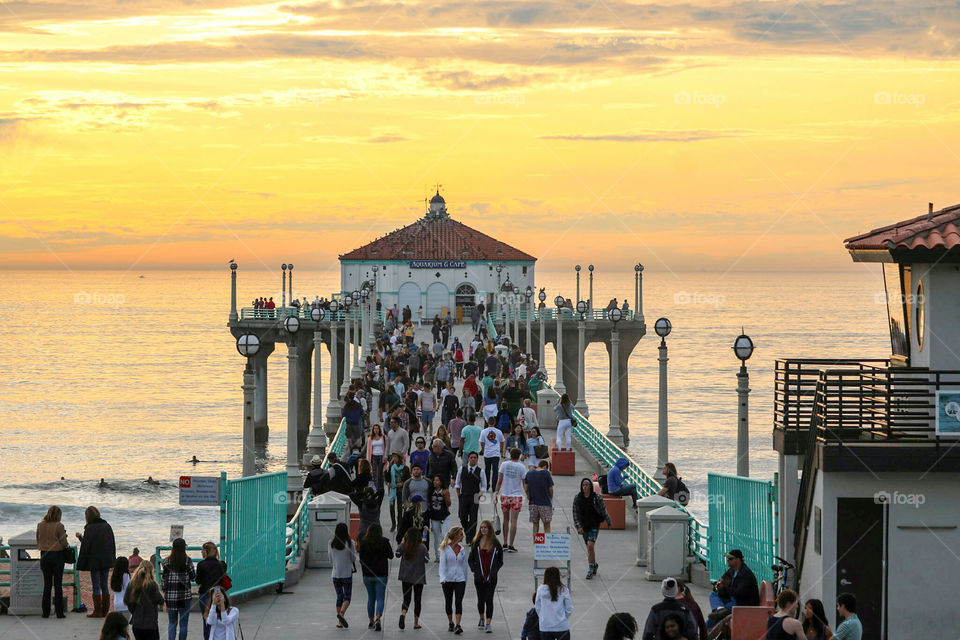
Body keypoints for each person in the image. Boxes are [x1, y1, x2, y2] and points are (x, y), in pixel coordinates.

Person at [76, 505, 117, 618]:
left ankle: (97, 611)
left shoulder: (89, 528)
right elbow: (111, 544)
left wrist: (80, 538)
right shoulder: (107, 526)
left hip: (94, 561)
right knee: (104, 585)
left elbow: (86, 545)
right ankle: (105, 611)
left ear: (87, 517)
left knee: (96, 586)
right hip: (106, 560)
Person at [572, 477, 611, 579]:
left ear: (590, 486)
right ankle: (594, 564)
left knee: (590, 545)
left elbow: (603, 510)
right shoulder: (578, 498)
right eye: (583, 485)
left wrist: (608, 520)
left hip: (594, 524)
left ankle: (590, 569)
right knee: (589, 548)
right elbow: (575, 513)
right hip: (584, 526)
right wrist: (578, 526)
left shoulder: (596, 498)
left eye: (586, 485)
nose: (584, 487)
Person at [468, 520, 504, 634]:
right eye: (481, 527)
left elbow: (500, 561)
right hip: (479, 577)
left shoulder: (496, 544)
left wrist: (494, 571)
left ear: (490, 529)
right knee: (480, 600)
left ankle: (488, 623)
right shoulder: (476, 542)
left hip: (491, 577)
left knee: (489, 599)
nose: (483, 529)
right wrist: (475, 570)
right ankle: (482, 617)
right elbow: (470, 560)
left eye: (485, 527)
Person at [358, 523, 393, 631]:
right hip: (381, 574)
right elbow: (391, 555)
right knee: (380, 598)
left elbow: (361, 559)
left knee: (371, 598)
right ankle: (378, 617)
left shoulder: (363, 543)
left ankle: (371, 620)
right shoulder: (384, 542)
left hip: (367, 575)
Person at [37, 505, 69, 619]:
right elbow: (64, 544)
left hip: (44, 555)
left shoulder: (40, 525)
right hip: (57, 556)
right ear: (59, 515)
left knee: (47, 585)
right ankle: (59, 612)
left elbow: (38, 540)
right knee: (58, 585)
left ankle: (45, 612)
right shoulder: (59, 526)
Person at [161, 538, 196, 640]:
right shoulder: (187, 561)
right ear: (184, 548)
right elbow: (193, 577)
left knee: (172, 623)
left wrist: (165, 590)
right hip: (184, 597)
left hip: (171, 598)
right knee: (184, 625)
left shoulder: (166, 562)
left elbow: (164, 581)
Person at [438, 526, 469, 635]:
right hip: (448, 579)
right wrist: (442, 578)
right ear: (456, 535)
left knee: (458, 602)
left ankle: (458, 624)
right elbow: (442, 565)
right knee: (449, 601)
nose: (463, 536)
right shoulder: (445, 548)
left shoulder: (462, 549)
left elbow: (464, 565)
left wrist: (465, 578)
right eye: (461, 534)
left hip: (460, 579)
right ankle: (450, 622)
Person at [496, 447, 527, 551]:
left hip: (505, 494)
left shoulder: (504, 464)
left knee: (506, 519)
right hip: (516, 496)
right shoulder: (522, 467)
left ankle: (504, 543)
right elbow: (524, 484)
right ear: (519, 456)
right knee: (514, 521)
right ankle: (511, 544)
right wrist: (528, 495)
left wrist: (496, 492)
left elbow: (499, 481)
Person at [710, 549, 759, 614]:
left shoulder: (745, 574)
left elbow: (739, 593)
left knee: (714, 618)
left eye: (731, 559)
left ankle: (720, 611)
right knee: (713, 595)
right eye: (728, 559)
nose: (728, 561)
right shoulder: (731, 571)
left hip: (742, 604)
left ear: (738, 560)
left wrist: (724, 588)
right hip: (733, 599)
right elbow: (722, 581)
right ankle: (720, 609)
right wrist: (718, 585)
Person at [397, 527, 429, 630]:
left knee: (406, 598)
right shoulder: (422, 547)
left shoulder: (404, 546)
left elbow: (397, 554)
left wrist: (402, 543)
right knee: (417, 600)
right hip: (418, 577)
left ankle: (403, 614)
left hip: (406, 576)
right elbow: (427, 559)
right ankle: (416, 623)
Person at [125, 560, 164, 640]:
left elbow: (127, 600)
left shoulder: (132, 584)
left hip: (137, 623)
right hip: (151, 624)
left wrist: (135, 611)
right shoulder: (152, 585)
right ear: (151, 571)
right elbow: (160, 600)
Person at [196, 542, 227, 640]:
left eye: (203, 550)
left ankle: (207, 638)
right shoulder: (220, 564)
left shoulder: (201, 564)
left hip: (204, 594)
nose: (201, 552)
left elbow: (198, 581)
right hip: (217, 594)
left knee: (206, 620)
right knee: (218, 619)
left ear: (206, 551)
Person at [328, 523, 357, 629]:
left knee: (339, 597)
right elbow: (353, 558)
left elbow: (330, 559)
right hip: (347, 573)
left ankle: (340, 622)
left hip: (335, 574)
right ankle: (341, 614)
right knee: (347, 597)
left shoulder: (331, 543)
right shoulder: (350, 543)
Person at [455, 451, 487, 540]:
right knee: (462, 517)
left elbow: (484, 486)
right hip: (464, 496)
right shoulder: (462, 469)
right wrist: (459, 495)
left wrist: (480, 494)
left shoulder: (481, 471)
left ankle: (471, 538)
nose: (473, 459)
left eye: (474, 457)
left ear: (477, 459)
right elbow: (457, 484)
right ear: (468, 459)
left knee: (473, 519)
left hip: (475, 497)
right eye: (471, 457)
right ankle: (467, 531)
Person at [535, 566, 573, 640]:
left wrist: (543, 617)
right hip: (562, 626)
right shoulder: (564, 589)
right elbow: (569, 608)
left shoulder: (541, 589)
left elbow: (537, 607)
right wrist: (564, 618)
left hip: (545, 626)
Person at [426, 474, 452, 562]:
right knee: (436, 536)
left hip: (444, 516)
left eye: (437, 480)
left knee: (445, 535)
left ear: (441, 482)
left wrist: (445, 496)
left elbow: (449, 504)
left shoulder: (445, 491)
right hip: (434, 516)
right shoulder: (431, 491)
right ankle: (438, 556)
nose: (435, 482)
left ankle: (445, 554)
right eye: (434, 480)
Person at [524, 459, 554, 533]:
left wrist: (528, 495)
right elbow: (551, 489)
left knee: (535, 526)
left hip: (533, 504)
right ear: (545, 466)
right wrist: (551, 498)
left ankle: (536, 543)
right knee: (547, 526)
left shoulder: (529, 473)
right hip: (545, 503)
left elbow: (526, 488)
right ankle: (547, 543)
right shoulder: (546, 473)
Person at [479, 417, 506, 491]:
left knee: (487, 470)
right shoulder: (498, 431)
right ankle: (494, 487)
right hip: (496, 453)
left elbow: (482, 442)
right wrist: (500, 449)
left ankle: (486, 485)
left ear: (488, 422)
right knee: (495, 471)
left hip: (487, 453)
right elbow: (502, 441)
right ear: (494, 422)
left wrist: (483, 449)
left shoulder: (483, 431)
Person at [387, 453, 410, 532]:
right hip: (393, 489)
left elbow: (408, 479)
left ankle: (399, 524)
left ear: (400, 458)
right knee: (391, 506)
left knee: (400, 507)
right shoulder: (391, 467)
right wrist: (388, 483)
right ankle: (393, 524)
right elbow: (386, 476)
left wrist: (403, 483)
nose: (394, 458)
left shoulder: (405, 468)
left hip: (401, 489)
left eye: (396, 457)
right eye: (393, 457)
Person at [365, 424, 387, 490]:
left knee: (380, 472)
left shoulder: (383, 437)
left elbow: (386, 446)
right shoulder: (370, 438)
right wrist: (368, 460)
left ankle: (381, 487)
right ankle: (375, 487)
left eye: (377, 428)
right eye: (375, 429)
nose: (376, 430)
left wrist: (385, 456)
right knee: (374, 472)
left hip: (381, 456)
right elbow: (368, 450)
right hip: (374, 456)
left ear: (379, 429)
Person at [110, 556, 131, 622]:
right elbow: (129, 589)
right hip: (125, 605)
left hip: (117, 604)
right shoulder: (126, 575)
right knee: (125, 626)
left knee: (118, 626)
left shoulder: (115, 576)